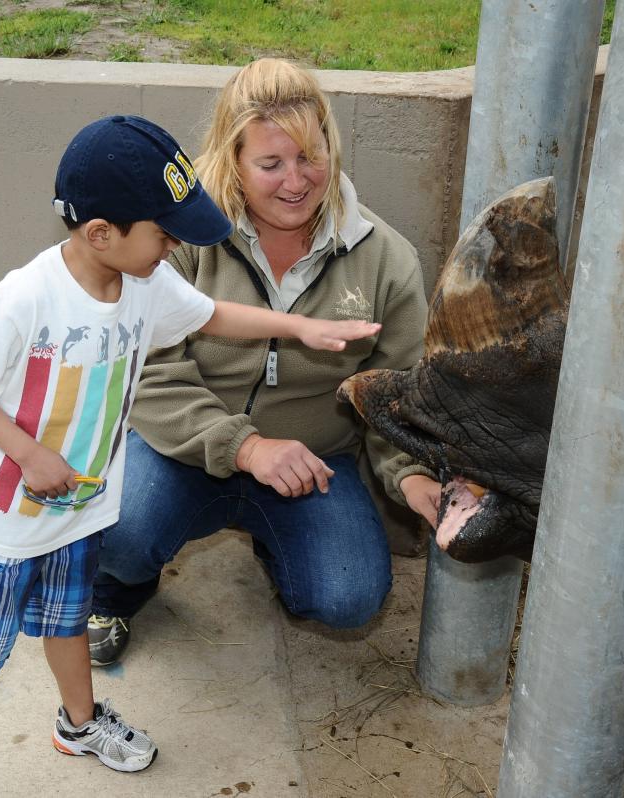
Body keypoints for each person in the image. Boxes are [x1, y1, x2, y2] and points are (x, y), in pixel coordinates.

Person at [0, 114, 383, 797]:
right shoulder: (25, 298)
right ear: (101, 233)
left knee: (68, 623)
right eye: (163, 232)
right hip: (4, 524)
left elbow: (212, 315)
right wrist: (26, 453)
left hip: (79, 509)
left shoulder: (143, 284)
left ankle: (78, 722)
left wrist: (299, 325)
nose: (173, 246)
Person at [87, 59, 443, 667]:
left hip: (314, 464)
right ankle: (117, 590)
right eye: (271, 164)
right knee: (115, 532)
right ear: (233, 161)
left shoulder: (388, 261)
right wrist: (246, 448)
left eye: (310, 155)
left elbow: (396, 392)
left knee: (349, 594)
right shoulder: (178, 240)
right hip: (182, 448)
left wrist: (409, 474)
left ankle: (280, 548)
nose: (297, 181)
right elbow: (148, 369)